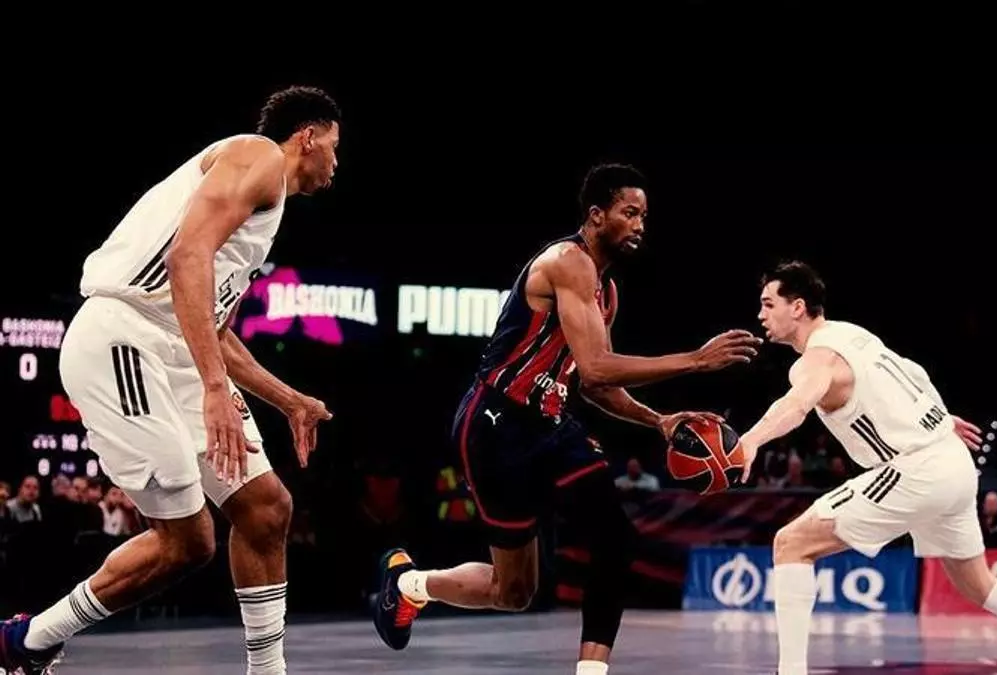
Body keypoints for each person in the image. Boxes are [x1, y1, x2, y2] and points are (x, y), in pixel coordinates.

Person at [0, 85, 339, 675]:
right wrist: (214, 388)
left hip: (177, 347)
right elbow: (186, 256)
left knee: (266, 508)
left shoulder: (265, 212)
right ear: (307, 137)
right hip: (124, 338)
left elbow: (216, 331)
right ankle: (26, 639)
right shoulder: (258, 155)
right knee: (188, 542)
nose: (337, 162)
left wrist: (289, 401)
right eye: (335, 146)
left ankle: (269, 671)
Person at [372, 163, 761, 674]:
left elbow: (596, 385)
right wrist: (696, 360)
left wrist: (659, 421)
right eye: (629, 213)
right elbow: (598, 365)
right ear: (597, 215)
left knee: (615, 539)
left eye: (644, 216)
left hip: (551, 426)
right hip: (496, 423)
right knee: (513, 592)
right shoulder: (567, 261)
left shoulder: (607, 291)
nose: (640, 225)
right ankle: (409, 584)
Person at [736, 261, 997, 675]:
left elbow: (796, 405)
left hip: (916, 469)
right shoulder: (853, 333)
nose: (761, 314)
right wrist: (940, 416)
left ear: (797, 307)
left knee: (791, 544)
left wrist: (750, 441)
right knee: (979, 585)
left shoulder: (815, 360)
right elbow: (913, 372)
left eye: (768, 304)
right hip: (953, 462)